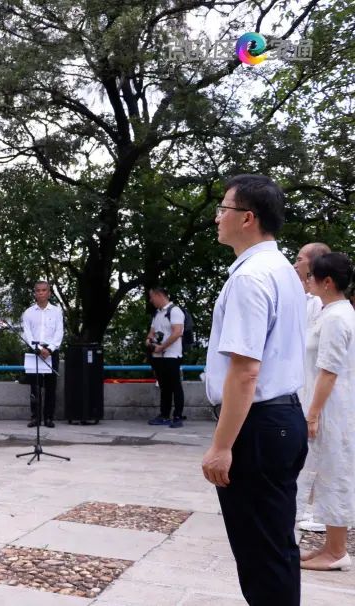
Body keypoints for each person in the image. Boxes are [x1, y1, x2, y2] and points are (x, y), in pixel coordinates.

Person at [202, 174, 308, 605]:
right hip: (283, 418)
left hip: (259, 425)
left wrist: (222, 446)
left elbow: (245, 371)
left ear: (247, 218)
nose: (217, 217)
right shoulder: (283, 271)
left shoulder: (250, 278)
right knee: (276, 547)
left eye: (223, 209)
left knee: (260, 555)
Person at [299, 252, 355, 572]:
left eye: (312, 277)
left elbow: (329, 371)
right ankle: (331, 546)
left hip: (332, 408)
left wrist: (313, 413)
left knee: (335, 472)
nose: (308, 281)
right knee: (327, 473)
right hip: (328, 405)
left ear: (328, 282)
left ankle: (337, 551)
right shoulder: (331, 312)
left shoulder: (337, 317)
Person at [292, 242, 331, 533]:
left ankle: (316, 509)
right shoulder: (301, 298)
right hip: (301, 384)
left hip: (317, 386)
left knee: (318, 451)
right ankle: (301, 505)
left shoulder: (321, 305)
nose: (294, 264)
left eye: (299, 259)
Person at [21, 281, 64, 428]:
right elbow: (27, 334)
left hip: (52, 351)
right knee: (35, 387)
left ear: (49, 293)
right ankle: (35, 417)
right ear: (35, 293)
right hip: (34, 351)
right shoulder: (28, 312)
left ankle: (49, 418)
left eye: (44, 290)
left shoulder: (57, 311)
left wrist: (50, 349)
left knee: (51, 387)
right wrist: (38, 349)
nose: (41, 293)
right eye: (38, 290)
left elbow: (59, 332)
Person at [145, 287, 186, 428]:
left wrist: (162, 346)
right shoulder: (157, 314)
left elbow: (177, 332)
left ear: (159, 295)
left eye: (152, 297)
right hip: (158, 356)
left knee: (175, 386)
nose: (151, 300)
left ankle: (178, 416)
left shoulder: (175, 311)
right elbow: (152, 332)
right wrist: (149, 341)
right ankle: (164, 415)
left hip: (172, 355)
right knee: (164, 386)